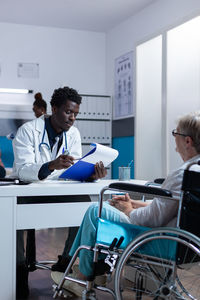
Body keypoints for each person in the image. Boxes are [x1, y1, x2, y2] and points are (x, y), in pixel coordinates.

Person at [51, 110, 200, 297]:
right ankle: (92, 271)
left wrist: (129, 211)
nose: (174, 139)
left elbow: (153, 218)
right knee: (103, 211)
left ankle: (81, 276)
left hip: (161, 240)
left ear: (188, 141)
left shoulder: (182, 174)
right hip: (184, 243)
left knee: (93, 211)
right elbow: (171, 207)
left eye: (175, 133)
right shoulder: (195, 173)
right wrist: (134, 203)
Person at [12, 86, 107, 298]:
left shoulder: (73, 133)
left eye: (75, 114)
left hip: (58, 189)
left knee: (86, 206)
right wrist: (51, 165)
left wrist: (89, 174)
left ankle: (66, 261)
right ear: (54, 109)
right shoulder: (27, 131)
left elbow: (72, 170)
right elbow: (23, 169)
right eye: (68, 112)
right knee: (13, 218)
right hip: (29, 193)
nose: (72, 118)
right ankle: (18, 271)